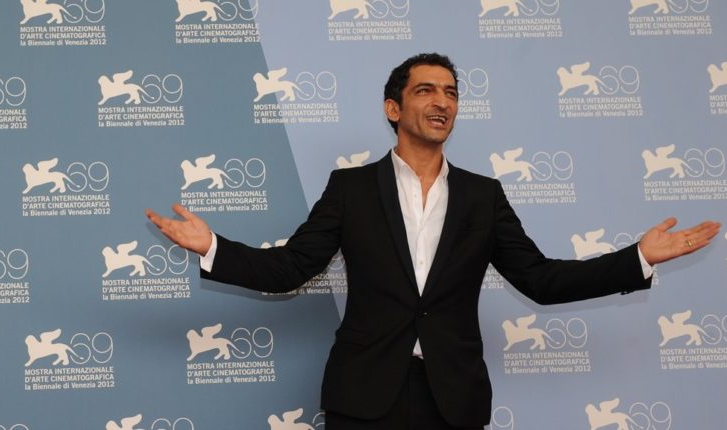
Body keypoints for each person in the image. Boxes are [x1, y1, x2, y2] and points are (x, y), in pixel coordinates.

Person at [146, 53, 721, 430]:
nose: (442, 102)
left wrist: (637, 258)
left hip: (454, 398)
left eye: (450, 92)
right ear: (394, 108)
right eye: (425, 90)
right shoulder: (350, 189)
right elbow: (292, 268)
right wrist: (214, 246)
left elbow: (541, 280)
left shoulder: (483, 196)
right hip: (363, 397)